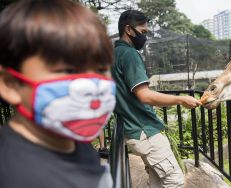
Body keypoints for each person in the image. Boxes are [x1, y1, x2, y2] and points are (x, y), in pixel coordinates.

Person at [0, 0, 116, 187]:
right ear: (10, 85)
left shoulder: (77, 145)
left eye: (102, 69)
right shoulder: (11, 175)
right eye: (69, 70)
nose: (92, 85)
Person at [112, 10, 202, 188]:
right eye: (143, 32)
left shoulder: (114, 55)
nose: (144, 37)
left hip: (132, 130)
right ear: (129, 30)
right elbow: (144, 95)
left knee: (157, 182)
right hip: (145, 130)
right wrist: (181, 100)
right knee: (174, 181)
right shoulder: (129, 55)